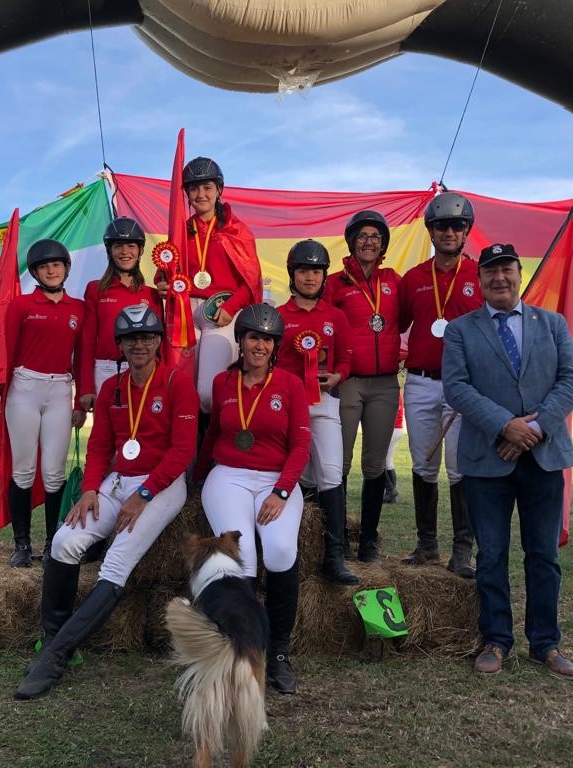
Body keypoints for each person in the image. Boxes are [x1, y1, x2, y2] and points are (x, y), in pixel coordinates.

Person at [14, 304, 198, 700]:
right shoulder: (112, 387)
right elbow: (99, 447)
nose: (139, 345)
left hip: (161, 484)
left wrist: (144, 495)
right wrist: (90, 489)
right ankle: (53, 636)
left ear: (158, 341)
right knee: (63, 543)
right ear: (120, 345)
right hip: (117, 481)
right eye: (130, 339)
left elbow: (182, 451)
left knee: (115, 564)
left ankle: (56, 657)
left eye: (146, 337)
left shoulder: (176, 382)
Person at [442, 243, 573, 680]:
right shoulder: (460, 330)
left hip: (544, 458)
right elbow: (457, 387)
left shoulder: (553, 324)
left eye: (506, 269)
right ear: (480, 279)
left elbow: (571, 381)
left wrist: (533, 429)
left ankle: (546, 644)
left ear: (520, 273)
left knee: (543, 555)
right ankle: (496, 640)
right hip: (486, 460)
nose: (499, 278)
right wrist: (506, 426)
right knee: (491, 555)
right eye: (490, 271)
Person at [195, 303, 311, 694]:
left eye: (267, 339)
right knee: (241, 556)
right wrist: (197, 478)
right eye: (252, 337)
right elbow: (214, 434)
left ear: (275, 345)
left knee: (279, 551)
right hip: (229, 476)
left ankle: (277, 651)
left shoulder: (291, 385)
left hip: (276, 479)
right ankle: (242, 649)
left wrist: (281, 492)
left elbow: (300, 446)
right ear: (240, 341)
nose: (259, 345)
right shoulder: (222, 383)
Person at [0, 239, 86, 567]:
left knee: (54, 473)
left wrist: (81, 399)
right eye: (44, 266)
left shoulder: (78, 309)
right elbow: (4, 349)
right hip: (24, 388)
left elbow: (82, 358)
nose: (51, 270)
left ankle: (54, 542)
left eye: (56, 265)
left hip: (60, 391)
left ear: (66, 268)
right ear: (36, 272)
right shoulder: (21, 306)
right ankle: (22, 545)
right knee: (24, 470)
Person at [397, 192, 483, 578]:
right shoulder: (414, 279)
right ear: (431, 231)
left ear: (466, 231)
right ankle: (426, 544)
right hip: (420, 382)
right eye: (442, 225)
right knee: (423, 464)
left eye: (457, 226)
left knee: (460, 467)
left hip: (463, 385)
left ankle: (462, 549)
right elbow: (396, 325)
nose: (449, 232)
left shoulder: (479, 275)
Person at [276, 240, 359, 585]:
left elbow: (346, 358)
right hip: (287, 406)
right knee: (295, 474)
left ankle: (334, 556)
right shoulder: (279, 316)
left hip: (325, 403)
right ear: (292, 274)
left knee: (330, 472)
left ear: (324, 276)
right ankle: (295, 552)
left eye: (316, 271)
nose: (309, 277)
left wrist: (338, 376)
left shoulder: (335, 316)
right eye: (303, 271)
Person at [323, 210, 401, 562]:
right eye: (362, 236)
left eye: (375, 236)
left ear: (383, 244)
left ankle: (368, 540)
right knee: (338, 461)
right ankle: (337, 539)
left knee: (375, 463)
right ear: (352, 241)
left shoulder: (394, 281)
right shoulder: (335, 284)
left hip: (384, 384)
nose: (369, 242)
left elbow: (406, 319)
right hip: (348, 383)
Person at [157, 156, 262, 414]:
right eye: (194, 188)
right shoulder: (181, 233)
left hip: (220, 314)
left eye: (207, 187)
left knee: (208, 392)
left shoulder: (237, 231)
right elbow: (165, 274)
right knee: (182, 390)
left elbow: (251, 281)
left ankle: (217, 439)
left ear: (219, 190)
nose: (201, 194)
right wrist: (162, 284)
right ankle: (189, 441)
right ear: (187, 193)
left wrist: (231, 307)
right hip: (184, 315)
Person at [78, 217, 163, 413]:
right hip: (106, 371)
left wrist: (160, 378)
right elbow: (87, 341)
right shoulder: (95, 289)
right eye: (118, 246)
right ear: (109, 251)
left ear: (140, 250)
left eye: (131, 246)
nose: (125, 252)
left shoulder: (152, 294)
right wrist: (86, 387)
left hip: (145, 370)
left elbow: (159, 344)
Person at [383, 395, 405, 504]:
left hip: (391, 429)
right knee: (388, 462)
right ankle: (392, 495)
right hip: (398, 429)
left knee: (377, 462)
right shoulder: (397, 393)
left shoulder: (389, 392)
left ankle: (390, 490)